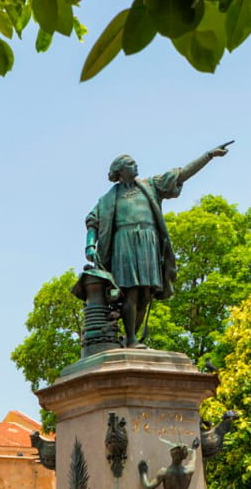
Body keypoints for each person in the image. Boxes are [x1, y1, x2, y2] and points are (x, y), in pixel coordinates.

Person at [84, 146, 230, 346]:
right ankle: (132, 339)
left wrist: (209, 156)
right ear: (120, 170)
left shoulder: (150, 185)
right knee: (131, 291)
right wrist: (90, 246)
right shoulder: (109, 198)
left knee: (146, 293)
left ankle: (129, 337)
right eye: (131, 164)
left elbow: (180, 175)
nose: (136, 166)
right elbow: (93, 221)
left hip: (148, 241)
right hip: (124, 243)